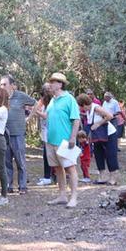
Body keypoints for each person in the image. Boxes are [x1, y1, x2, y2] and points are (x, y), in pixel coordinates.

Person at [45, 72, 81, 208]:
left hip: (65, 141)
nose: (50, 84)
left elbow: (76, 119)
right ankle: (62, 196)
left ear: (60, 84)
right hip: (51, 140)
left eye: (53, 82)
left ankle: (74, 198)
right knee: (58, 169)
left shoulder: (69, 99)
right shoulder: (52, 100)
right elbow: (49, 116)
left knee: (70, 168)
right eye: (50, 81)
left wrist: (73, 137)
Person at [0, 75, 35, 194]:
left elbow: (35, 104)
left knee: (20, 161)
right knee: (6, 161)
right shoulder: (0, 97)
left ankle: (22, 186)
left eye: (4, 84)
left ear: (12, 85)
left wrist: (28, 117)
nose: (2, 86)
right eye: (1, 84)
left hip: (18, 133)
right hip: (4, 134)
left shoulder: (20, 96)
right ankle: (9, 185)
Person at [83, 93, 114, 184]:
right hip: (97, 136)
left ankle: (112, 179)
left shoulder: (96, 108)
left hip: (109, 134)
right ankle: (102, 177)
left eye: (82, 107)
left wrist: (99, 123)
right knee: (98, 155)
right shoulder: (88, 111)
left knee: (110, 155)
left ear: (84, 104)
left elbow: (110, 116)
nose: (82, 109)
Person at [29, 84, 56, 186]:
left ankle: (49, 177)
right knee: (46, 155)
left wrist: (36, 112)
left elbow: (46, 116)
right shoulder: (44, 101)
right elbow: (37, 109)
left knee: (49, 155)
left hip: (51, 131)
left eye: (48, 89)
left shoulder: (53, 102)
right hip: (45, 131)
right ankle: (48, 176)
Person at [99, 91, 122, 185]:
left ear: (110, 97)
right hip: (105, 120)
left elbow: (118, 111)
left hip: (112, 120)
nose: (105, 98)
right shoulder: (104, 103)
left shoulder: (115, 102)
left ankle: (115, 148)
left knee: (113, 137)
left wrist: (111, 114)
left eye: (107, 97)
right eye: (104, 97)